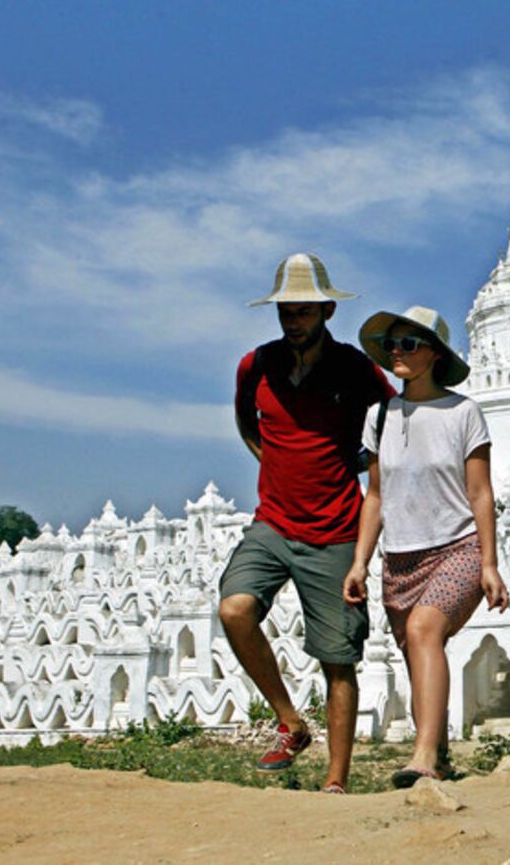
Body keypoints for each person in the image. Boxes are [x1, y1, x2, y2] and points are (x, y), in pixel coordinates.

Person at [220, 253, 392, 794]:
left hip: (337, 529)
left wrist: (366, 476)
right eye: (286, 313)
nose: (293, 322)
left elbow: (396, 423)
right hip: (272, 522)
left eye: (303, 312)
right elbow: (248, 423)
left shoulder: (357, 371)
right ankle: (291, 721)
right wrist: (274, 465)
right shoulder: (256, 365)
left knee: (338, 659)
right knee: (235, 607)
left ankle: (336, 781)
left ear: (326, 311)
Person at [343, 305, 510, 788]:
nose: (397, 352)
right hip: (400, 557)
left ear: (434, 354)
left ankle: (421, 758)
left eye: (409, 344)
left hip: (457, 548)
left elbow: (481, 492)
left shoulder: (463, 413)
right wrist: (360, 562)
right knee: (417, 653)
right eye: (392, 345)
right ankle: (436, 752)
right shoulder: (378, 417)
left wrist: (490, 564)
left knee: (423, 630)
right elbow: (375, 495)